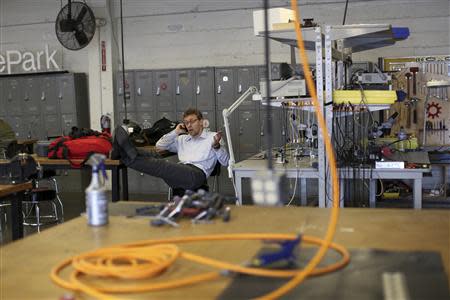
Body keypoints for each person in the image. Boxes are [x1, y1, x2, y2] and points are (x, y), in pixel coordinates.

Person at [113, 108, 229, 193]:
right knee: (155, 155)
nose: (189, 125)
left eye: (192, 121)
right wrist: (176, 132)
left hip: (196, 175)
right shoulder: (183, 139)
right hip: (180, 173)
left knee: (163, 165)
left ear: (201, 121)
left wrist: (216, 147)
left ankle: (125, 154)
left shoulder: (213, 137)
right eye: (186, 123)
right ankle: (125, 151)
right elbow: (160, 145)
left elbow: (226, 162)